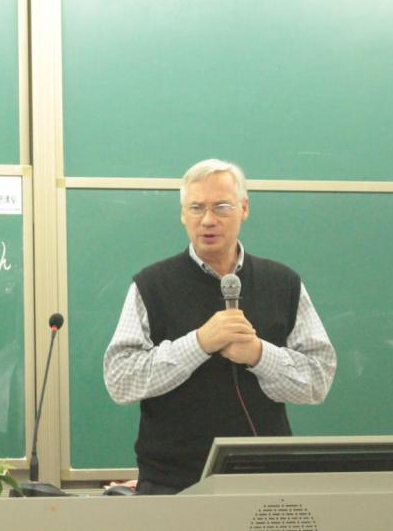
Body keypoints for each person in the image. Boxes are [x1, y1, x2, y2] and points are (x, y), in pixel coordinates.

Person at [103, 159, 337, 495]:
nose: (208, 220)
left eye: (221, 207)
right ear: (183, 214)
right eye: (196, 208)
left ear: (244, 208)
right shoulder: (151, 284)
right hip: (173, 483)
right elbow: (120, 381)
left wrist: (259, 355)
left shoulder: (283, 282)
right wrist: (199, 343)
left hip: (267, 480)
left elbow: (318, 380)